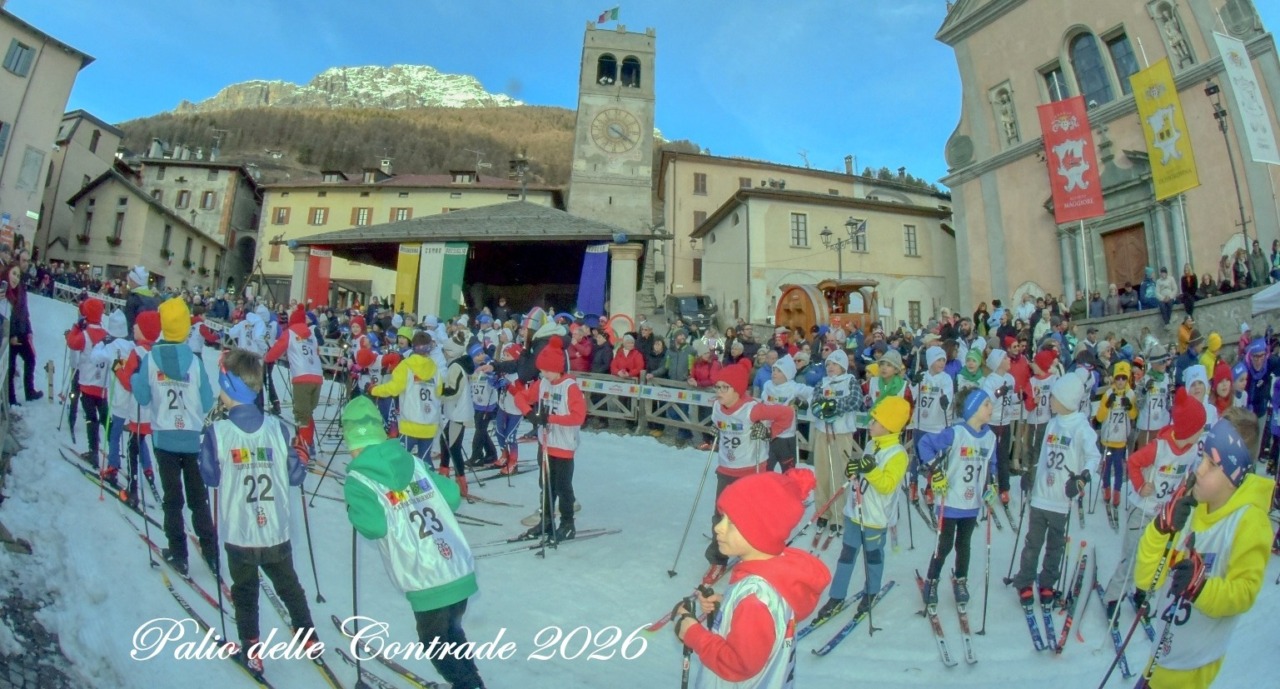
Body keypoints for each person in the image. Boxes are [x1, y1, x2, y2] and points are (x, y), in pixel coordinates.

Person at [341, 396, 486, 689]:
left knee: (435, 643)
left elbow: (373, 526)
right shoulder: (414, 462)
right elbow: (452, 496)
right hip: (456, 567)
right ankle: (472, 681)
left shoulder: (360, 479)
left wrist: (354, 508)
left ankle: (469, 685)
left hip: (426, 578)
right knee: (451, 632)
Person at [1132, 410, 1273, 689]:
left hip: (1191, 669)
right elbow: (1147, 581)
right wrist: (1159, 531)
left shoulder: (1248, 522)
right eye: (1202, 456)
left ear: (1234, 475)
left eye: (1211, 463)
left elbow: (1244, 592)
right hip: (1162, 657)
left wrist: (1201, 588)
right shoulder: (1191, 505)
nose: (1199, 468)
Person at [199, 348, 315, 677]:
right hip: (275, 529)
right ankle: (309, 637)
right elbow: (295, 476)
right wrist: (300, 457)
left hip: (240, 533)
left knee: (245, 592)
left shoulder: (218, 432)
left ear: (229, 386)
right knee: (289, 584)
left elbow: (210, 476)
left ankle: (252, 652)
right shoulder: (277, 428)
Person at [673, 470, 829, 688]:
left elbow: (739, 664)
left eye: (732, 522)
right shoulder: (773, 574)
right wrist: (726, 605)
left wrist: (694, 634)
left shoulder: (754, 600)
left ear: (761, 532)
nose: (718, 527)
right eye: (722, 517)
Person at [132, 298, 218, 576]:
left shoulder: (150, 359)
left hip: (164, 438)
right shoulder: (194, 362)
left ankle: (178, 553)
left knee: (172, 498)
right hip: (192, 439)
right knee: (198, 498)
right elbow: (206, 402)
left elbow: (143, 398)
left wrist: (136, 380)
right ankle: (212, 552)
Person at [1102, 391, 1204, 620]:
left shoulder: (1191, 453)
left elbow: (1186, 478)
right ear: (1189, 428)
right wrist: (1140, 485)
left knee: (1156, 559)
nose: (1201, 433)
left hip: (1164, 517)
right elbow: (1134, 462)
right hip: (1142, 510)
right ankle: (1113, 597)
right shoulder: (1159, 447)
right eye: (1200, 428)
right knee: (1132, 556)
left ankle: (1142, 592)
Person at [699, 360, 795, 580]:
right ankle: (717, 560)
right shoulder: (717, 407)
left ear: (738, 389)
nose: (720, 391)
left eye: (725, 387)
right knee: (720, 516)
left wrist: (769, 433)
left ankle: (755, 555)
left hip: (751, 471)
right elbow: (718, 424)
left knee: (750, 517)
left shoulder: (752, 409)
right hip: (726, 469)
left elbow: (786, 414)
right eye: (718, 387)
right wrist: (714, 432)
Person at [814, 396, 909, 620]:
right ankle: (836, 597)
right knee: (846, 555)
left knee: (872, 557)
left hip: (876, 518)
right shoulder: (870, 444)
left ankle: (871, 592)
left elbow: (886, 485)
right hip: (854, 512)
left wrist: (871, 470)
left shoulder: (897, 454)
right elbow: (863, 474)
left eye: (875, 421)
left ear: (888, 426)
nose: (870, 424)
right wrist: (854, 471)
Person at [1012, 374, 1099, 603]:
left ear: (1067, 400)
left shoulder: (1081, 427)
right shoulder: (1052, 422)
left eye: (1054, 397)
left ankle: (1048, 582)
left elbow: (1094, 456)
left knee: (1055, 545)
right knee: (1033, 543)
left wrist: (1082, 478)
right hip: (1041, 496)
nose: (1050, 400)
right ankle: (1025, 580)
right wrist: (1031, 475)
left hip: (1062, 498)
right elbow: (1043, 456)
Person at [915, 388, 998, 608]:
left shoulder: (990, 438)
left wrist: (992, 486)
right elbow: (924, 444)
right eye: (986, 404)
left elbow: (992, 465)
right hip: (950, 501)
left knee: (964, 544)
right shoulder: (956, 433)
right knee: (944, 545)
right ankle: (931, 580)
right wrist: (935, 471)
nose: (991, 408)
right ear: (972, 409)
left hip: (972, 505)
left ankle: (961, 580)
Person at [512, 336, 586, 542]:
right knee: (546, 485)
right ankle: (546, 519)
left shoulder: (570, 386)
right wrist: (529, 413)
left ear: (556, 368)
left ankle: (568, 523)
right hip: (545, 444)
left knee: (563, 487)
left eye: (545, 370)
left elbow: (578, 417)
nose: (541, 374)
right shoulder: (543, 383)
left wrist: (549, 418)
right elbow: (520, 397)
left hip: (563, 445)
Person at [371, 331, 444, 472]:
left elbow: (393, 389)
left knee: (401, 459)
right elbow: (439, 391)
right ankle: (430, 489)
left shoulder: (406, 365)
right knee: (425, 459)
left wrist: (374, 390)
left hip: (410, 423)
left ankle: (397, 486)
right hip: (429, 424)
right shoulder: (435, 368)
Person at [810, 349, 860, 536]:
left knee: (838, 473)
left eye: (834, 364)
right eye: (828, 364)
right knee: (822, 472)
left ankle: (838, 515)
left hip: (842, 433)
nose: (830, 367)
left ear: (843, 366)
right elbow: (815, 402)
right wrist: (821, 408)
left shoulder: (850, 381)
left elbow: (855, 400)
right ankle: (823, 511)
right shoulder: (823, 383)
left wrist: (835, 407)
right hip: (823, 431)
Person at [263, 305, 324, 453]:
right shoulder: (311, 334)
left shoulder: (289, 333)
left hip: (302, 376)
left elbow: (276, 350)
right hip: (317, 376)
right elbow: (316, 351)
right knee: (307, 412)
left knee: (301, 414)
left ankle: (304, 447)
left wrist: (267, 358)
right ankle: (308, 443)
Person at [65, 297, 109, 462]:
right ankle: (114, 451)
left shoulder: (85, 334)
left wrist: (76, 326)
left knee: (91, 418)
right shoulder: (106, 334)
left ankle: (93, 452)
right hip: (102, 385)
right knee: (105, 417)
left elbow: (72, 343)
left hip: (88, 384)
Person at [1096, 361, 1138, 519]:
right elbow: (1099, 417)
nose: (1120, 381)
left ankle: (1117, 494)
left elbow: (1133, 416)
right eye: (1118, 378)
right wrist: (1107, 405)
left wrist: (1130, 407)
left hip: (1121, 441)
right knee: (1106, 467)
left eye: (1123, 378)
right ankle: (1106, 490)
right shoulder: (1108, 394)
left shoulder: (1130, 394)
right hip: (1107, 441)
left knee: (1119, 469)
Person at [759, 355, 812, 472]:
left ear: (787, 374)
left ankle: (788, 488)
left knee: (788, 471)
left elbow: (812, 393)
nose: (774, 373)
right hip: (769, 435)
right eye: (773, 370)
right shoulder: (768, 385)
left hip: (786, 436)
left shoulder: (793, 387)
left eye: (779, 371)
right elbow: (762, 403)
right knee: (766, 469)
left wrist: (803, 403)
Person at [437, 332, 476, 479]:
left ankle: (461, 482)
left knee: (453, 448)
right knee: (445, 442)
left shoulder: (455, 367)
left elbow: (453, 390)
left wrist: (438, 392)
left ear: (451, 352)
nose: (443, 354)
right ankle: (444, 473)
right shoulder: (458, 364)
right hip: (457, 412)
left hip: (458, 413)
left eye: (445, 351)